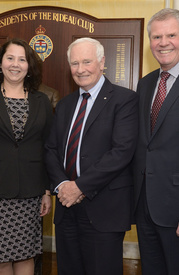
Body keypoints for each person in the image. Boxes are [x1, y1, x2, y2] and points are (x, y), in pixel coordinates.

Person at [44, 37, 138, 275]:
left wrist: (80, 187)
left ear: (102, 62)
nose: (80, 69)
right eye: (75, 63)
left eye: (87, 61)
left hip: (104, 209)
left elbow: (121, 152)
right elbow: (52, 149)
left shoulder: (124, 100)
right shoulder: (65, 105)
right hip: (66, 209)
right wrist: (63, 185)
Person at [0, 38, 52, 275]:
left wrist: (47, 191)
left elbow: (47, 148)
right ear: (0, 63)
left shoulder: (41, 101)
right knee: (1, 259)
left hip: (30, 194)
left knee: (26, 257)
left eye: (22, 59)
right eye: (10, 58)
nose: (16, 64)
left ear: (29, 66)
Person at [133, 8, 179, 275]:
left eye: (171, 35)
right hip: (145, 206)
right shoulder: (146, 84)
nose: (163, 43)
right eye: (156, 36)